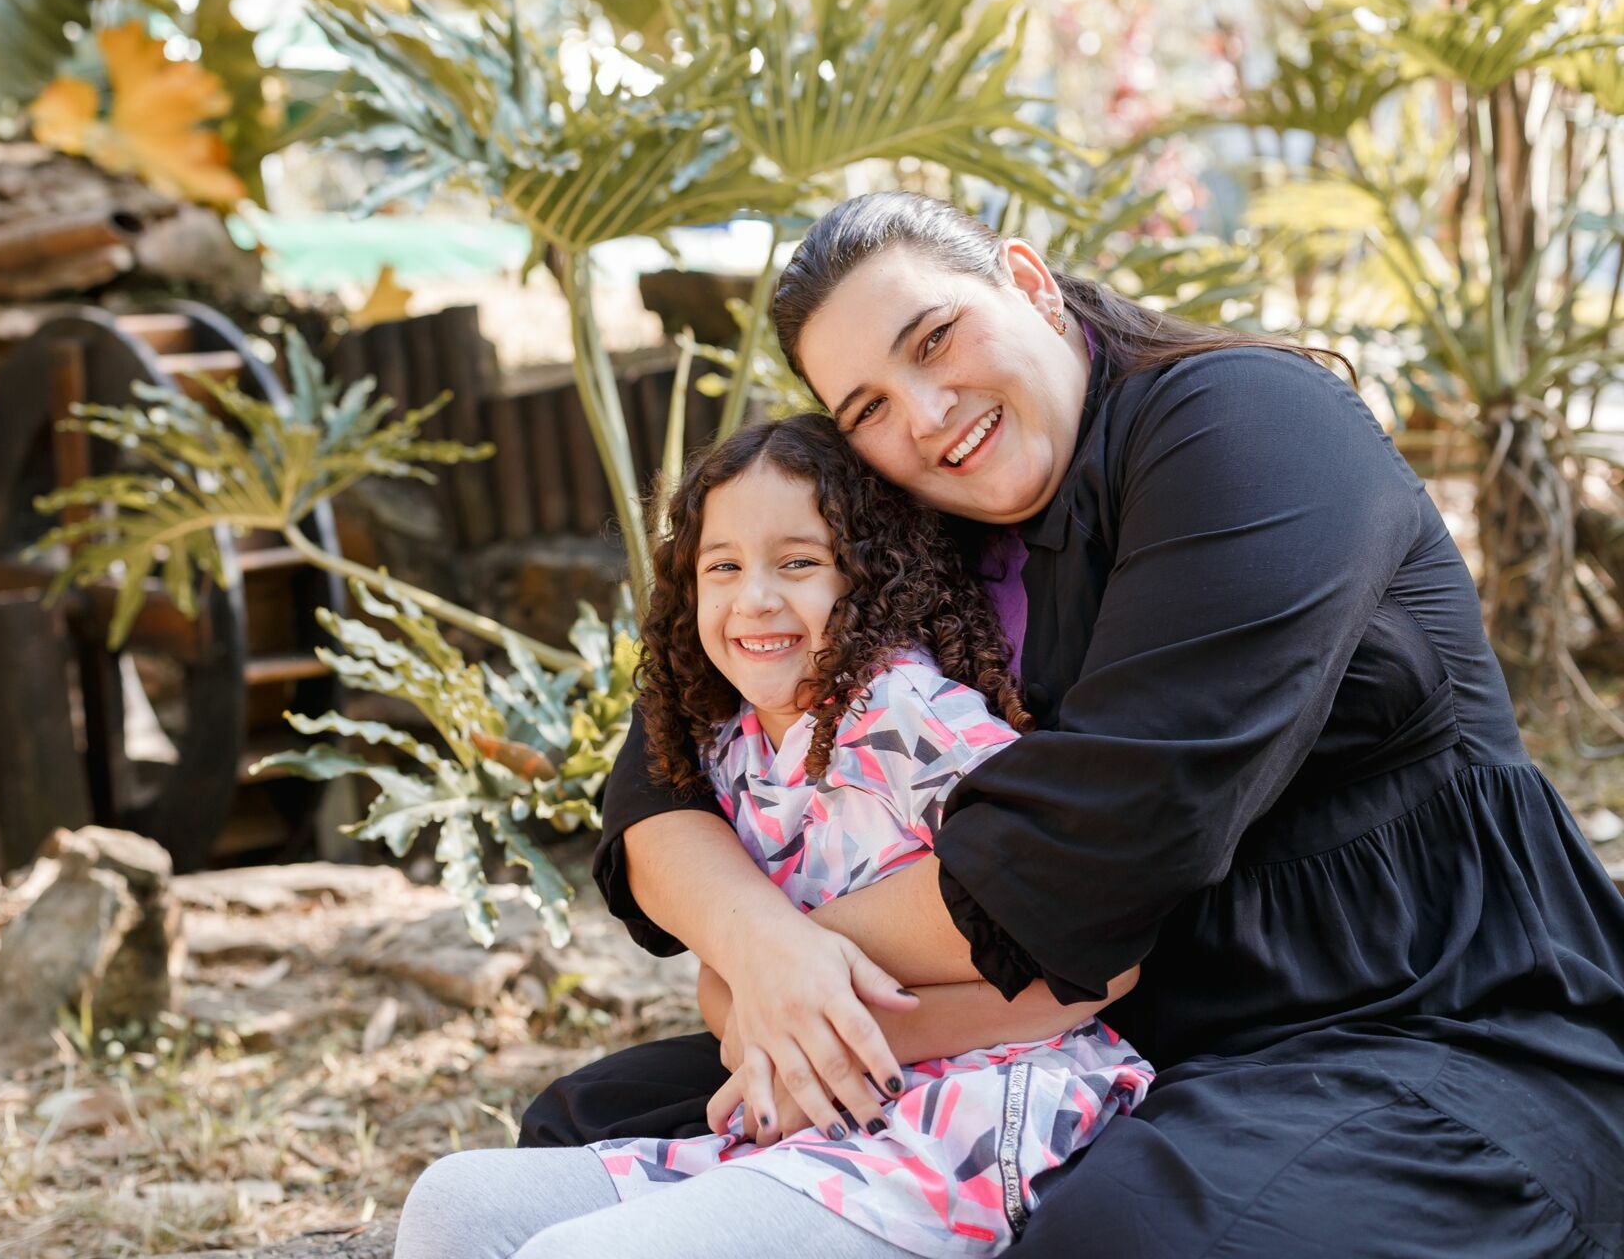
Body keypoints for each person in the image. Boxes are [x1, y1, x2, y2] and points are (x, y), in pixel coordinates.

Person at [521, 191, 1624, 1255]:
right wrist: (758, 950)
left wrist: (778, 977)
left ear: (1030, 283)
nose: (926, 413)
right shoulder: (911, 514)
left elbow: (1094, 850)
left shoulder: (1249, 423)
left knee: (1119, 1234)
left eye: (936, 339)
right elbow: (664, 769)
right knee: (596, 1122)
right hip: (1083, 1026)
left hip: (1428, 1015)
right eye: (867, 408)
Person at [395, 416, 1152, 1258]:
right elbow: (721, 987)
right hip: (814, 1111)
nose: (755, 597)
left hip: (971, 1117)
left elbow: (1094, 969)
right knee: (453, 1203)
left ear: (870, 578)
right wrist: (782, 1031)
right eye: (723, 567)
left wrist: (834, 1050)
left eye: (798, 563)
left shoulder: (910, 717)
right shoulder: (733, 747)